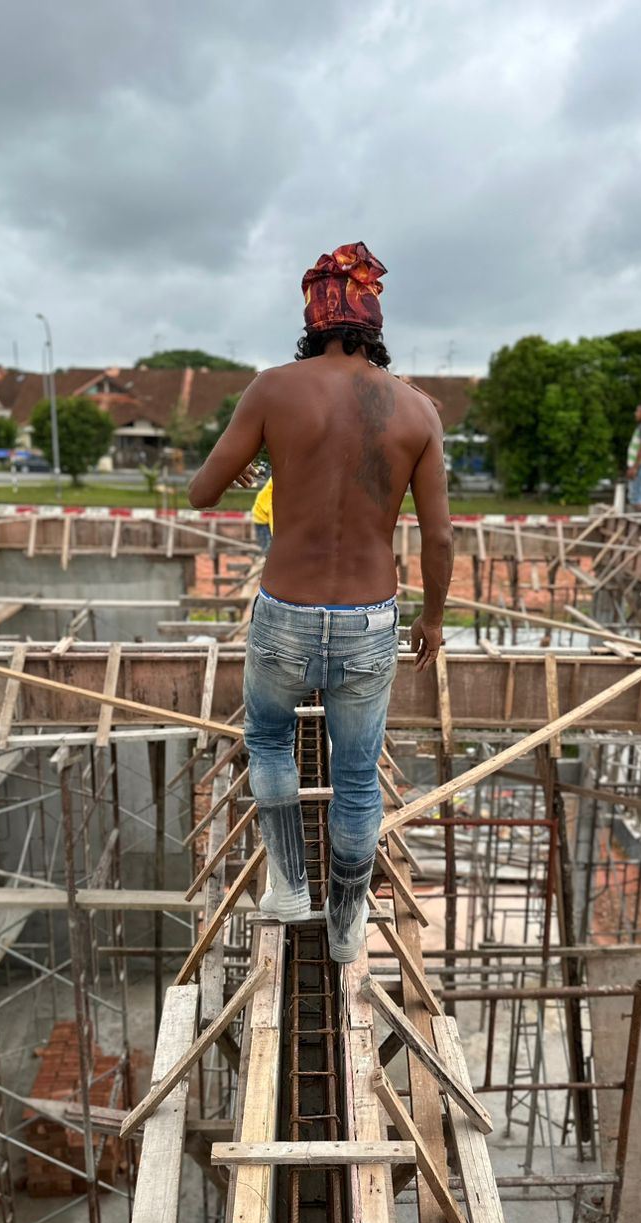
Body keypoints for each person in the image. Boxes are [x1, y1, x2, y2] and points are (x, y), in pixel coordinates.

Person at [188, 241, 453, 962]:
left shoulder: (274, 389)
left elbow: (201, 492)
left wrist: (250, 465)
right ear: (373, 323)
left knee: (270, 741)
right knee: (358, 774)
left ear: (313, 320)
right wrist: (432, 619)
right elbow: (438, 538)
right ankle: (344, 925)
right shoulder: (419, 410)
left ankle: (288, 885)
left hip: (286, 610)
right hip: (370, 618)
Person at [251, 475, 274, 552]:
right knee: (268, 548)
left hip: (264, 512)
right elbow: (272, 517)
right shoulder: (272, 497)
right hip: (262, 520)